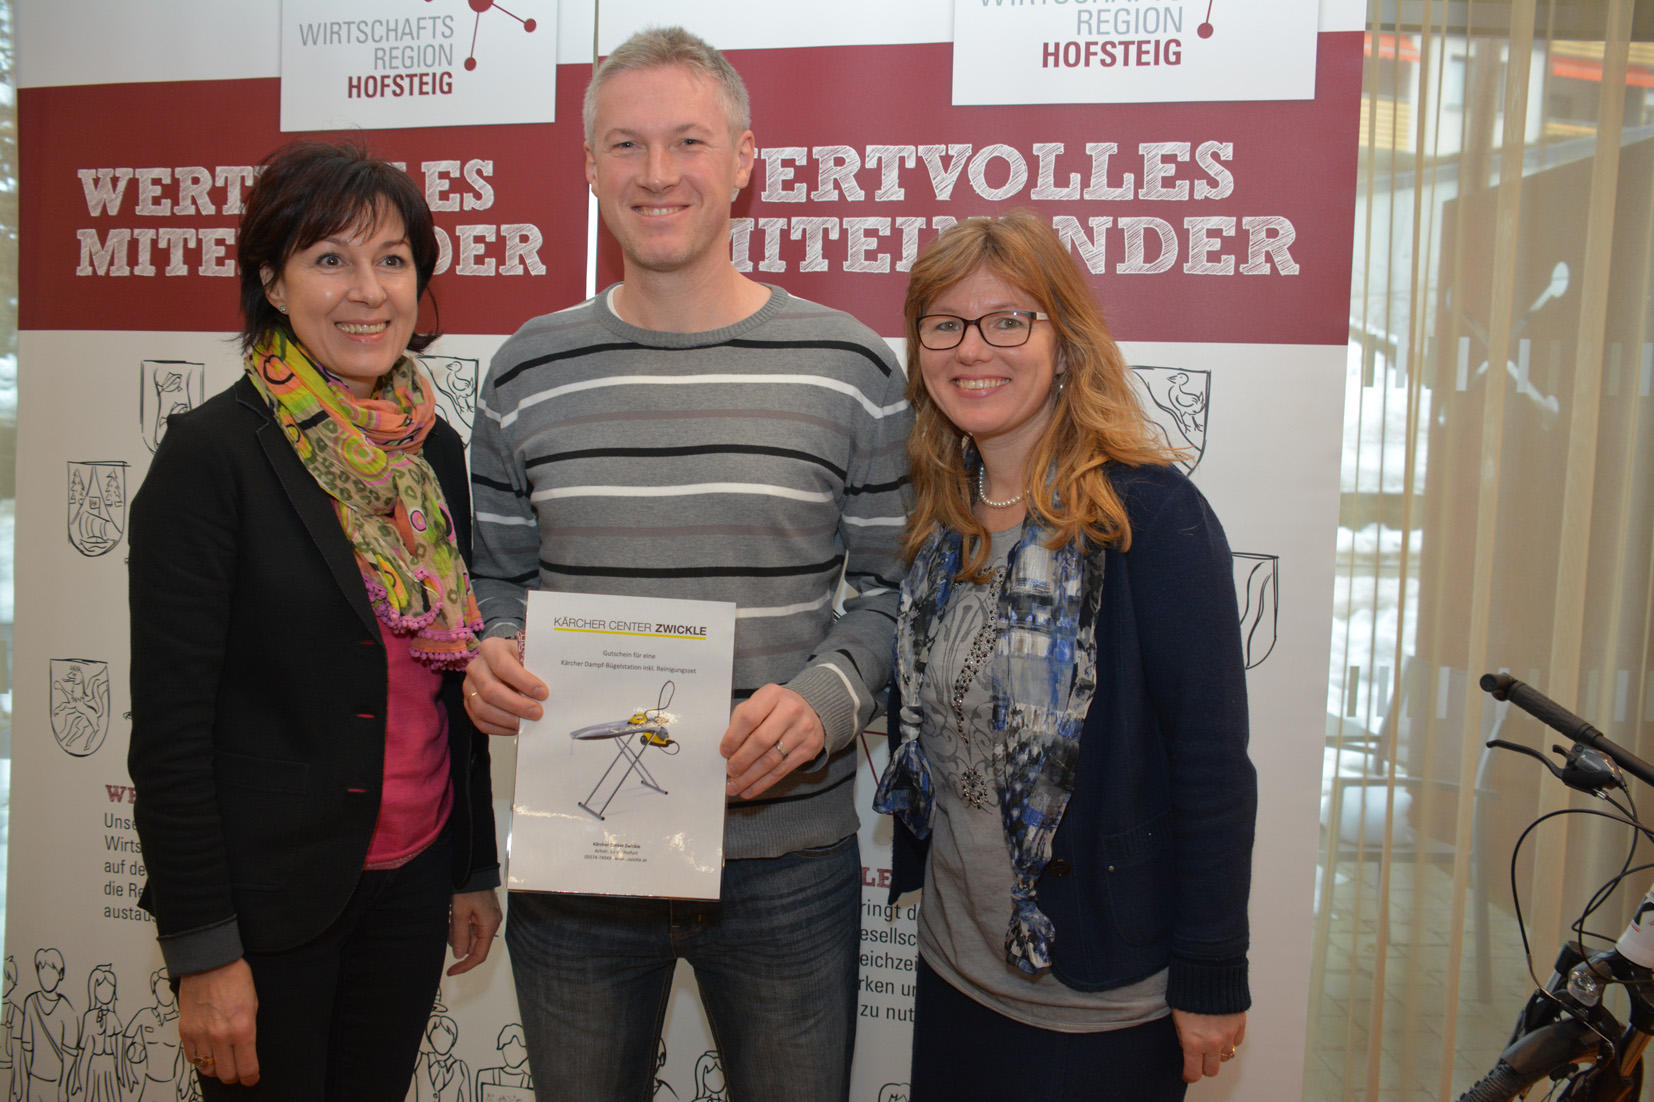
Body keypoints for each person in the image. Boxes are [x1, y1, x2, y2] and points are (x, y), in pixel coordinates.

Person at [464, 26, 910, 1102]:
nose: (656, 173)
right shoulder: (523, 373)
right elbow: (496, 579)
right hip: (579, 858)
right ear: (589, 167)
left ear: (744, 159)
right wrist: (493, 652)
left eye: (688, 141)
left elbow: (900, 590)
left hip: (785, 862)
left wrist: (829, 697)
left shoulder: (851, 367)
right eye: (626, 144)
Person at [127, 140, 502, 1098]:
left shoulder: (434, 452)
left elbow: (452, 678)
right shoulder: (212, 457)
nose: (367, 292)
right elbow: (170, 734)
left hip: (415, 883)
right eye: (330, 259)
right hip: (270, 906)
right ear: (272, 280)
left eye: (392, 260)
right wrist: (204, 950)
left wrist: (470, 869)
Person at [874, 211, 1256, 1100]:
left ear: (1065, 342)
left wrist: (1212, 972)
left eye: (1008, 320)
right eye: (945, 324)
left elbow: (1210, 765)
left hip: (1098, 997)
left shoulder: (1147, 517)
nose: (974, 349)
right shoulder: (941, 520)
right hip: (955, 968)